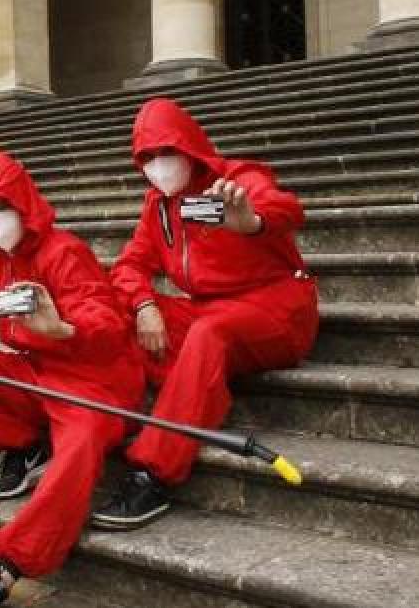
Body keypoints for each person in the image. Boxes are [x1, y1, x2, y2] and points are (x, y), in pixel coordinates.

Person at [0, 151, 145, 608]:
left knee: (80, 446)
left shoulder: (64, 251)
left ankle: (6, 571)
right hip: (37, 376)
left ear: (24, 204)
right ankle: (26, 443)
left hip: (93, 384)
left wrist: (59, 327)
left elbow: (106, 323)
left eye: (1, 206)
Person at [90, 97, 319, 531]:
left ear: (189, 147)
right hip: (208, 310)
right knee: (112, 310)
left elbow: (287, 209)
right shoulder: (158, 204)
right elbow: (129, 266)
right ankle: (110, 422)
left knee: (208, 334)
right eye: (147, 157)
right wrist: (144, 305)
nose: (157, 165)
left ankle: (154, 472)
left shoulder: (236, 179)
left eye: (165, 152)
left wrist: (249, 220)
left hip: (277, 307)